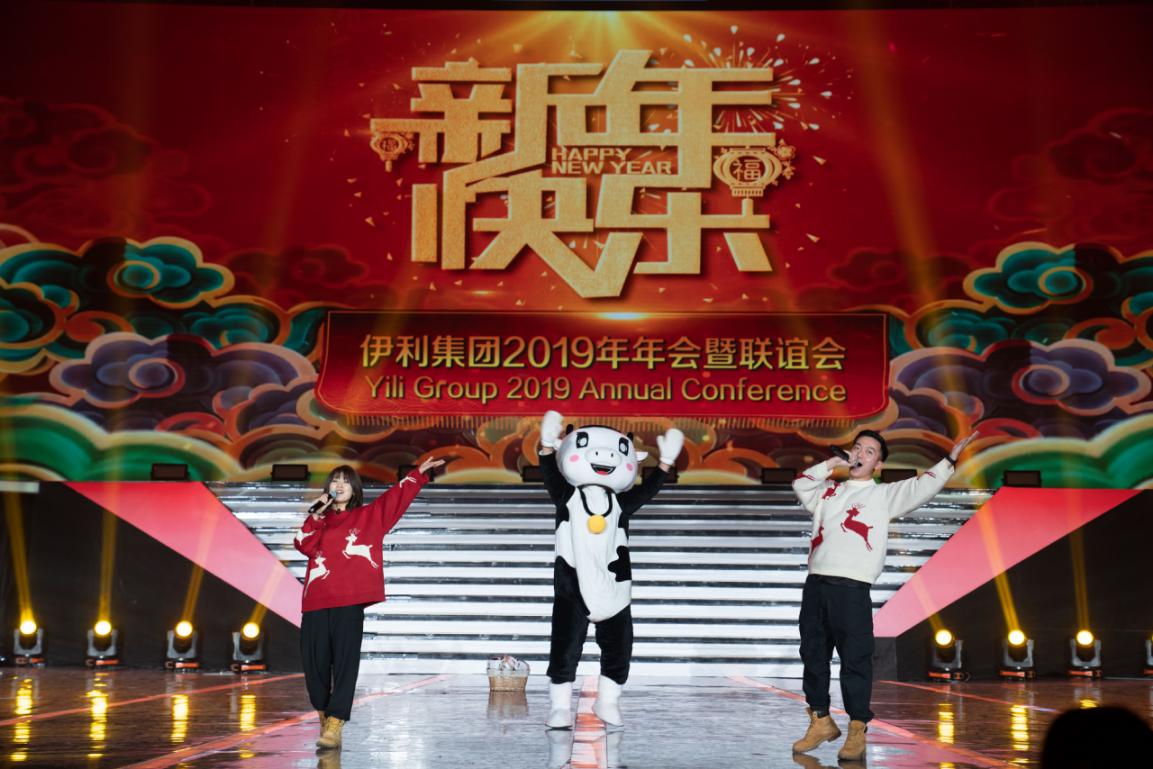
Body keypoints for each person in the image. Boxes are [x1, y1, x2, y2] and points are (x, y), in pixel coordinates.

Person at [790, 429, 977, 761]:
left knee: (855, 660)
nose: (860, 454)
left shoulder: (883, 495)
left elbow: (922, 486)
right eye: (857, 448)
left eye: (870, 451)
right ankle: (820, 720)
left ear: (878, 465)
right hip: (817, 584)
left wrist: (949, 459)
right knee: (813, 655)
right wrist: (831, 463)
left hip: (852, 588)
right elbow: (801, 484)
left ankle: (857, 728)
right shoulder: (828, 492)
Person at [538, 410, 683, 730]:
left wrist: (664, 465)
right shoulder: (567, 497)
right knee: (565, 648)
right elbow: (549, 475)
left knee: (619, 647)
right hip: (573, 587)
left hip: (614, 590)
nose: (604, 457)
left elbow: (646, 492)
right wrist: (546, 446)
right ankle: (560, 706)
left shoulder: (620, 504)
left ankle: (608, 700)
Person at [293, 458, 445, 750]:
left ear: (355, 489)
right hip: (315, 602)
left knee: (345, 666)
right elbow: (302, 544)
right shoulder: (319, 521)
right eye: (335, 480)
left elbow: (395, 499)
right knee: (315, 669)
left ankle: (335, 724)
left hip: (349, 604)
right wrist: (317, 514)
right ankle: (324, 715)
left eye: (345, 481)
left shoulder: (369, 517)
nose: (339, 485)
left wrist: (418, 475)